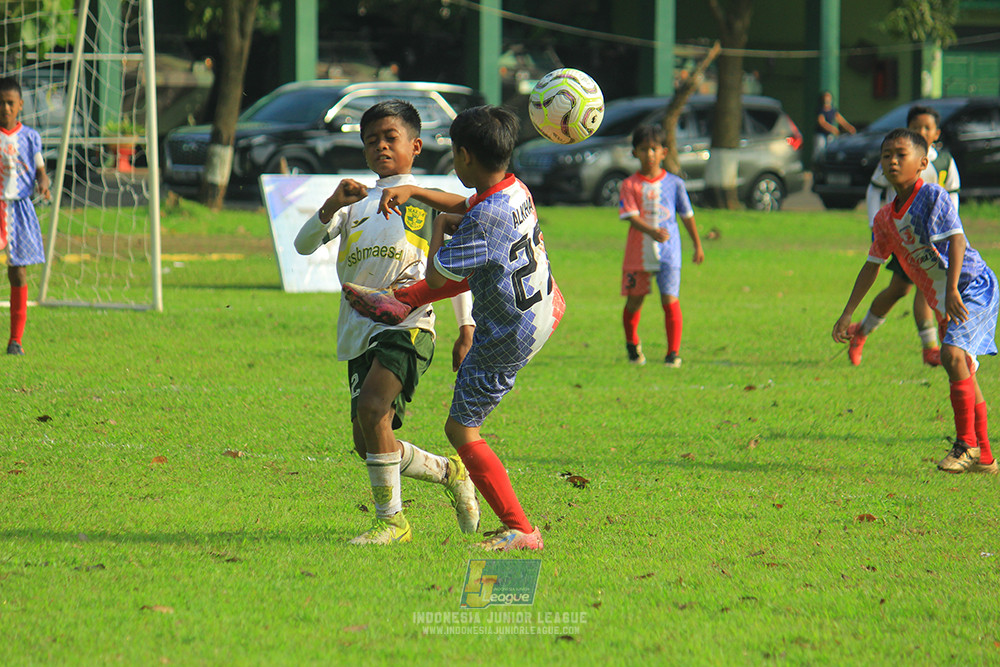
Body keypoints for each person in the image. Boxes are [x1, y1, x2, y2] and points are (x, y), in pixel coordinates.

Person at [340, 105, 565, 551]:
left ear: (463, 156)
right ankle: (398, 303)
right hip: (544, 305)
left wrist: (440, 225)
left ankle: (521, 529)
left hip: (507, 332)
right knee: (470, 273)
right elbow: (465, 207)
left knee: (461, 430)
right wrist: (418, 192)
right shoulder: (513, 191)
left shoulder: (484, 220)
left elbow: (440, 276)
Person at [293, 100, 481, 545]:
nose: (380, 145)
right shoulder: (353, 204)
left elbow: (452, 267)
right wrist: (330, 205)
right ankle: (450, 472)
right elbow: (303, 246)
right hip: (358, 328)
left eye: (389, 137)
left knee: (374, 407)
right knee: (369, 441)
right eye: (371, 139)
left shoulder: (425, 203)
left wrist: (466, 326)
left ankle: (392, 524)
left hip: (410, 322)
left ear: (414, 146)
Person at [832, 128, 998, 475]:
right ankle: (984, 457)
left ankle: (966, 446)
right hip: (945, 298)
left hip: (971, 286)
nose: (892, 160)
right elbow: (871, 266)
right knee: (963, 368)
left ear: (922, 163)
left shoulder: (933, 196)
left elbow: (956, 241)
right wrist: (848, 313)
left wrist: (952, 289)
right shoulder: (884, 219)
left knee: (952, 356)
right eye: (886, 155)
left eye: (900, 154)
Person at [850, 105, 961, 367]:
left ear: (937, 132)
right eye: (916, 127)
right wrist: (873, 225)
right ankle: (862, 332)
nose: (921, 131)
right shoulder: (896, 156)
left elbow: (952, 193)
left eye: (927, 128)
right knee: (899, 290)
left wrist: (950, 229)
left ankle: (930, 348)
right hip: (904, 236)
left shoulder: (944, 160)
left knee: (925, 287)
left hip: (935, 240)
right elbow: (874, 190)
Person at [618, 124, 704, 367]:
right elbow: (630, 215)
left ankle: (673, 353)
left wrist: (697, 245)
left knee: (670, 300)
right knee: (635, 301)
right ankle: (632, 343)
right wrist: (652, 231)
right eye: (644, 149)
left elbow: (687, 215)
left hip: (669, 253)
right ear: (635, 153)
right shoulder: (629, 185)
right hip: (638, 254)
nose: (650, 155)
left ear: (664, 152)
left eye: (654, 149)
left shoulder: (675, 184)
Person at [0, 76, 51, 356]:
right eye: (1, 103)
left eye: (10, 103)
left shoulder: (30, 137)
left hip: (19, 208)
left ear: (20, 105)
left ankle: (15, 340)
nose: (5, 108)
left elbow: (40, 168)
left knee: (18, 272)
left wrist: (43, 182)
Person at [814, 91, 856, 161]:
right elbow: (822, 122)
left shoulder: (833, 111)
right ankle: (815, 166)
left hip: (829, 135)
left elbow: (841, 120)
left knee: (830, 150)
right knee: (819, 151)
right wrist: (832, 129)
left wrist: (849, 128)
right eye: (825, 98)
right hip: (821, 134)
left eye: (828, 98)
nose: (827, 100)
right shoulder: (820, 110)